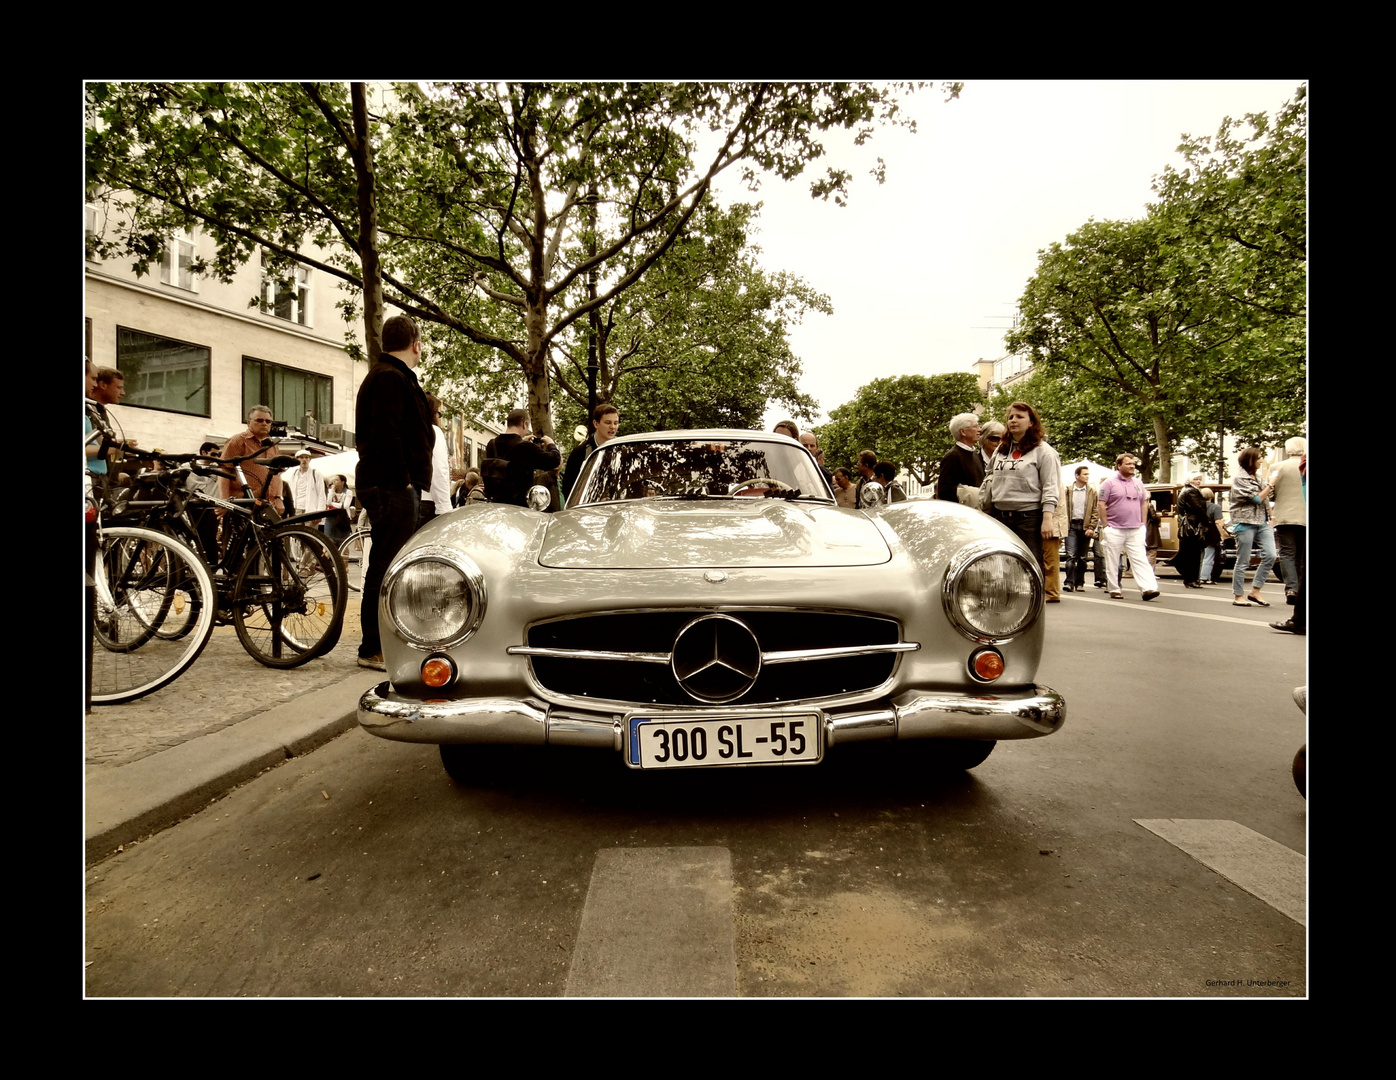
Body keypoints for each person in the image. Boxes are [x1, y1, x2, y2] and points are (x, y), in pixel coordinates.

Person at [354, 314, 435, 671]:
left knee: (387, 565)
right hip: (391, 485)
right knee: (385, 566)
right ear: (415, 344)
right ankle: (372, 647)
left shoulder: (389, 376)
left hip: (392, 483)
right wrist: (403, 480)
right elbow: (388, 433)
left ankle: (382, 643)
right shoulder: (390, 378)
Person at [982, 401, 1060, 572]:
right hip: (999, 516)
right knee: (1000, 567)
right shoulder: (1001, 450)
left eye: (1019, 416)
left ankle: (1034, 599)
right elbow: (989, 476)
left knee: (1028, 567)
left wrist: (1047, 519)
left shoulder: (1044, 451)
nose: (1013, 420)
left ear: (1031, 422)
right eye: (1010, 417)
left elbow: (1050, 486)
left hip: (1028, 518)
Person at [1089, 452, 1159, 601]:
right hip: (1114, 528)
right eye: (1128, 464)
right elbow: (1101, 504)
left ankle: (1148, 588)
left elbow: (1143, 502)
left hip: (1136, 528)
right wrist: (1106, 525)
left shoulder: (1138, 483)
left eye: (1133, 463)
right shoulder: (1108, 483)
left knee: (1140, 558)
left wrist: (1143, 523)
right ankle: (1114, 589)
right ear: (1119, 465)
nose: (1132, 466)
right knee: (1113, 560)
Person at [1230, 446, 1278, 608]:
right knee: (1243, 560)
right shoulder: (1240, 479)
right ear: (1250, 460)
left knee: (1271, 555)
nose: (1261, 460)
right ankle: (1238, 595)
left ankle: (1255, 590)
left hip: (1262, 521)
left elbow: (1264, 501)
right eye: (1258, 458)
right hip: (1245, 522)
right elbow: (1257, 499)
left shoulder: (1258, 477)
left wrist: (1271, 517)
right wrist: (1270, 485)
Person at [483, 408, 561, 506]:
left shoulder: (491, 444)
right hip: (517, 508)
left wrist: (522, 441)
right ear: (524, 424)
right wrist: (551, 444)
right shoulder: (525, 447)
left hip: (495, 505)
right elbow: (554, 461)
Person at [221, 405, 285, 515]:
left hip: (268, 505)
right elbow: (224, 471)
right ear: (248, 422)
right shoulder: (237, 441)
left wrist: (279, 497)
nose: (264, 423)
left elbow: (278, 475)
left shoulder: (273, 445)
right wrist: (224, 502)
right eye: (259, 420)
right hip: (243, 505)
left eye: (268, 421)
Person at [1271, 437, 1306, 606]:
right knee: (1301, 555)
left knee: (1286, 553)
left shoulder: (1277, 467)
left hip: (1284, 516)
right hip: (1305, 516)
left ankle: (1291, 588)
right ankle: (1301, 589)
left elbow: (1270, 493)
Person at [563, 403, 619, 500]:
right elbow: (568, 488)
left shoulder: (622, 449)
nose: (613, 427)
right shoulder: (580, 452)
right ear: (596, 424)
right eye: (608, 422)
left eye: (615, 423)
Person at [1063, 466, 1098, 593]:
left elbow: (1095, 510)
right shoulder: (1068, 490)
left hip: (1085, 525)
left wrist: (1091, 527)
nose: (1087, 476)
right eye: (1085, 474)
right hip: (1071, 525)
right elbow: (1063, 508)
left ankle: (1080, 582)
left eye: (1088, 474)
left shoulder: (1092, 491)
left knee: (1082, 557)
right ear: (1077, 476)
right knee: (1071, 555)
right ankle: (1069, 582)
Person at [418, 392, 451, 524]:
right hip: (428, 503)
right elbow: (438, 470)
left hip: (408, 500)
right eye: (439, 413)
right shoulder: (433, 431)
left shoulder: (409, 432)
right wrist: (445, 507)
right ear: (433, 413)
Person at [936, 413, 985, 502]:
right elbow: (944, 491)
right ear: (963, 432)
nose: (980, 430)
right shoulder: (952, 457)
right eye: (975, 427)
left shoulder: (974, 454)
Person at [1173, 475, 1210, 588]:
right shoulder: (1192, 491)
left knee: (1189, 553)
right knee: (1194, 554)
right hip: (1193, 524)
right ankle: (1192, 579)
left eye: (1199, 479)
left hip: (1187, 524)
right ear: (1189, 480)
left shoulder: (1185, 490)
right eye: (1196, 479)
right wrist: (1207, 521)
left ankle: (1189, 578)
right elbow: (1198, 508)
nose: (1198, 481)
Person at [286, 448, 327, 525]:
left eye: (306, 457)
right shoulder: (294, 474)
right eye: (301, 457)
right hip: (297, 509)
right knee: (297, 535)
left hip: (311, 510)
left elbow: (321, 494)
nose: (304, 460)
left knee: (310, 534)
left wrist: (319, 513)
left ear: (309, 459)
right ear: (297, 459)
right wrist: (289, 510)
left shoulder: (316, 473)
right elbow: (290, 493)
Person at [1200, 486, 1226, 584]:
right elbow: (1218, 522)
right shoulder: (1215, 507)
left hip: (1199, 532)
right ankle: (1205, 577)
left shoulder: (1198, 506)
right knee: (1209, 555)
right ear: (1211, 495)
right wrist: (1222, 535)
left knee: (1201, 555)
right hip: (1211, 533)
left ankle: (1198, 576)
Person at [324, 475, 353, 544]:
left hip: (342, 519)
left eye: (336, 480)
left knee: (342, 543)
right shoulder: (331, 491)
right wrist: (331, 491)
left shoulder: (348, 492)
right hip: (331, 517)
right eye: (333, 480)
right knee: (328, 541)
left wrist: (332, 504)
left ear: (343, 482)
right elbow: (328, 502)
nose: (334, 482)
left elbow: (345, 506)